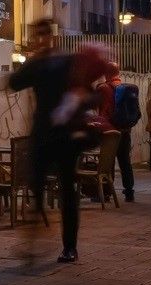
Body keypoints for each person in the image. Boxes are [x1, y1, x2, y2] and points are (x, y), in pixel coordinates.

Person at [8, 18, 108, 264]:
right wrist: (33, 59)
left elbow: (93, 93)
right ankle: (32, 242)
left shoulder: (68, 61)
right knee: (36, 187)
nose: (40, 38)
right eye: (36, 34)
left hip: (65, 136)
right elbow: (13, 83)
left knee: (67, 191)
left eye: (43, 33)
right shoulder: (38, 64)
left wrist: (81, 100)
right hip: (42, 134)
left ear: (51, 35)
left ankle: (69, 247)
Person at [97, 63, 136, 202]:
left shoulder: (104, 88)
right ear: (118, 72)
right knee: (125, 161)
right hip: (125, 129)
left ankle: (106, 193)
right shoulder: (126, 88)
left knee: (109, 161)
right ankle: (129, 192)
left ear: (106, 73)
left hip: (111, 130)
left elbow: (104, 111)